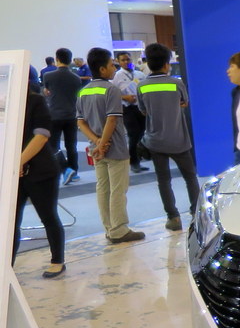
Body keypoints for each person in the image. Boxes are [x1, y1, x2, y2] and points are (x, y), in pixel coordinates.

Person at [76, 47, 145, 244]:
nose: (114, 68)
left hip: (96, 150)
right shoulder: (111, 89)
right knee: (118, 190)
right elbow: (112, 119)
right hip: (114, 148)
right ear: (102, 69)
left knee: (103, 189)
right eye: (111, 65)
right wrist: (104, 142)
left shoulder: (83, 91)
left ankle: (109, 228)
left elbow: (80, 122)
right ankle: (119, 230)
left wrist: (97, 142)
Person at [137, 42, 201, 232]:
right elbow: (184, 102)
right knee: (190, 177)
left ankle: (173, 218)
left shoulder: (142, 86)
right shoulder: (176, 83)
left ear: (148, 63)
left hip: (155, 141)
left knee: (163, 180)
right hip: (179, 139)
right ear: (167, 64)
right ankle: (196, 212)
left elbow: (143, 110)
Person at [13, 89, 65, 278]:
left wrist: (18, 162)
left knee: (48, 217)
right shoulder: (7, 102)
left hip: (41, 171)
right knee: (11, 222)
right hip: (13, 173)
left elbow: (41, 136)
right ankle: (6, 266)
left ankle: (57, 261)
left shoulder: (35, 101)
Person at [42, 47, 83, 184]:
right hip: (71, 115)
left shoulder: (48, 76)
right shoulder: (76, 78)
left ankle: (65, 169)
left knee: (53, 145)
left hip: (54, 115)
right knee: (72, 145)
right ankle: (74, 172)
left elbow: (47, 91)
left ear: (57, 59)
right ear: (70, 60)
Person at [113, 51, 149, 173]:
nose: (126, 62)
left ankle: (138, 158)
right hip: (127, 108)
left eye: (128, 59)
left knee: (142, 133)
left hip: (140, 107)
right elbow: (113, 94)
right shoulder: (116, 76)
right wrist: (125, 97)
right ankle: (133, 162)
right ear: (118, 61)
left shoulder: (139, 74)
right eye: (123, 60)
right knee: (133, 134)